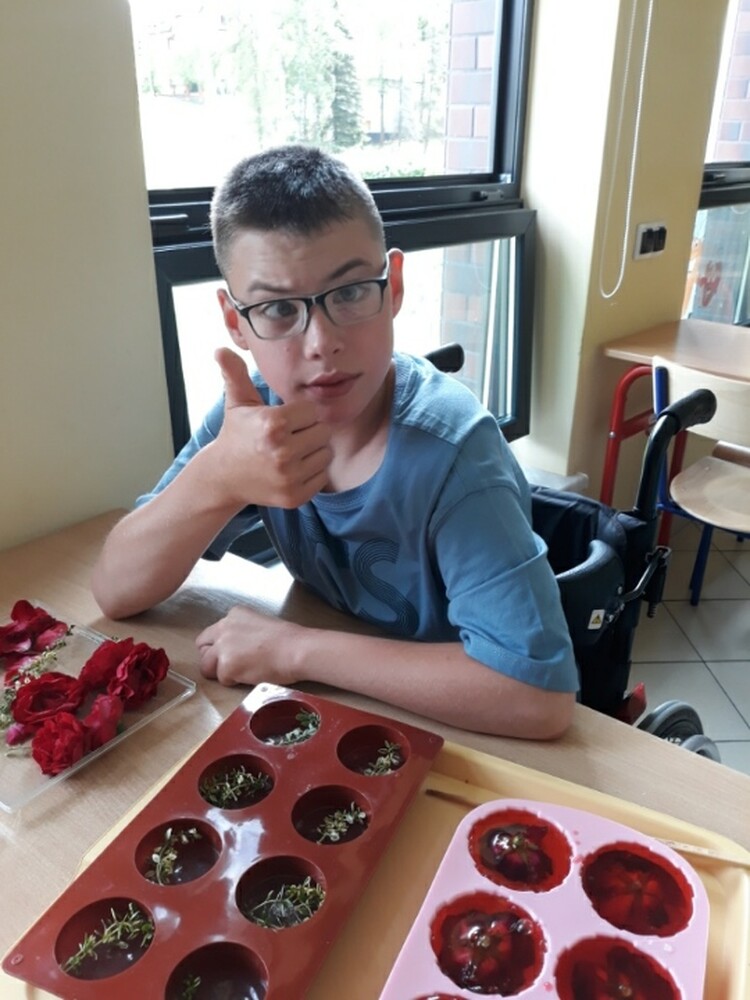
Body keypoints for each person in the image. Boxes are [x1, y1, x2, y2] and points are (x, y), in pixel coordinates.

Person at [92, 144, 578, 738]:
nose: (321, 343)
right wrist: (216, 478)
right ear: (235, 322)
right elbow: (115, 589)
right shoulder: (257, 415)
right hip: (343, 714)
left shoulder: (455, 455)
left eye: (349, 293)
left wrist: (296, 650)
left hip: (457, 727)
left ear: (392, 287)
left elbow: (539, 698)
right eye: (277, 308)